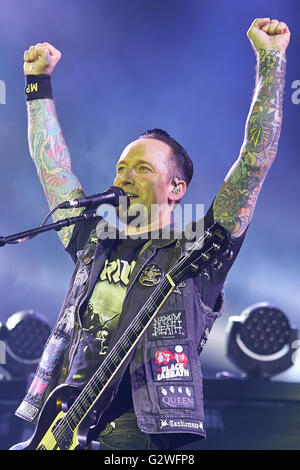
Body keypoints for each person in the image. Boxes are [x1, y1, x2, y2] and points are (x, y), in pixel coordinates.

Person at [15, 18, 290, 450]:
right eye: (121, 167)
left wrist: (271, 60)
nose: (125, 176)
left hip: (142, 428)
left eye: (142, 168)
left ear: (177, 188)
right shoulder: (95, 240)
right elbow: (52, 168)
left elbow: (254, 162)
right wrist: (37, 84)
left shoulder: (198, 248)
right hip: (64, 422)